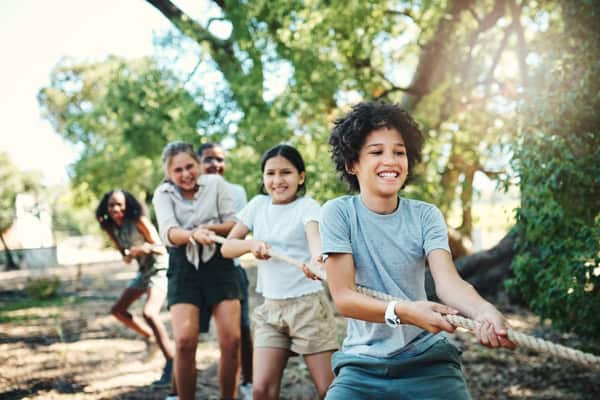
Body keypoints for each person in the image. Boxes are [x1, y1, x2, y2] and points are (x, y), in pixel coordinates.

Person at [320, 102, 516, 400]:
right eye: (376, 152)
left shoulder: (426, 215)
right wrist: (406, 312)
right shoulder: (338, 214)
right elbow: (345, 298)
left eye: (399, 152)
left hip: (428, 361)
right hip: (362, 366)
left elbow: (449, 284)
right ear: (352, 164)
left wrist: (484, 311)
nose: (391, 160)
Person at [221, 144, 338, 400]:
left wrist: (318, 261)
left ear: (301, 176)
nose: (277, 180)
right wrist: (251, 245)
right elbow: (228, 247)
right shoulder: (257, 206)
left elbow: (314, 238)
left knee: (328, 390)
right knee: (261, 391)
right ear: (263, 178)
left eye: (285, 172)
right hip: (271, 310)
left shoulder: (308, 207)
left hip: (308, 308)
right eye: (270, 173)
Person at [152, 141, 241, 400]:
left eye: (190, 166)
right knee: (185, 341)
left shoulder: (215, 184)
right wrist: (192, 234)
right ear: (169, 173)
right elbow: (168, 232)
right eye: (178, 170)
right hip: (183, 265)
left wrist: (209, 231)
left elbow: (233, 222)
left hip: (219, 263)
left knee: (231, 341)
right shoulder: (163, 194)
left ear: (199, 164)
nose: (185, 174)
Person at [95, 189, 174, 386]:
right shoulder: (111, 227)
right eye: (112, 205)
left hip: (160, 267)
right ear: (106, 207)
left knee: (150, 313)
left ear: (127, 205)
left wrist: (142, 248)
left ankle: (172, 364)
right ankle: (150, 338)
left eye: (120, 204)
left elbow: (161, 246)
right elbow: (124, 255)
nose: (116, 209)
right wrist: (128, 256)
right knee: (118, 310)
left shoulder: (139, 220)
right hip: (143, 270)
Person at [196, 142, 254, 399]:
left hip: (232, 268)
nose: (215, 165)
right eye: (208, 159)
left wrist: (205, 227)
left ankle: (248, 380)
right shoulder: (189, 190)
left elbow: (236, 229)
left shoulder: (236, 191)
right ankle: (177, 385)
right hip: (197, 271)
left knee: (241, 330)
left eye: (219, 159)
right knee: (189, 335)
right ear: (198, 163)